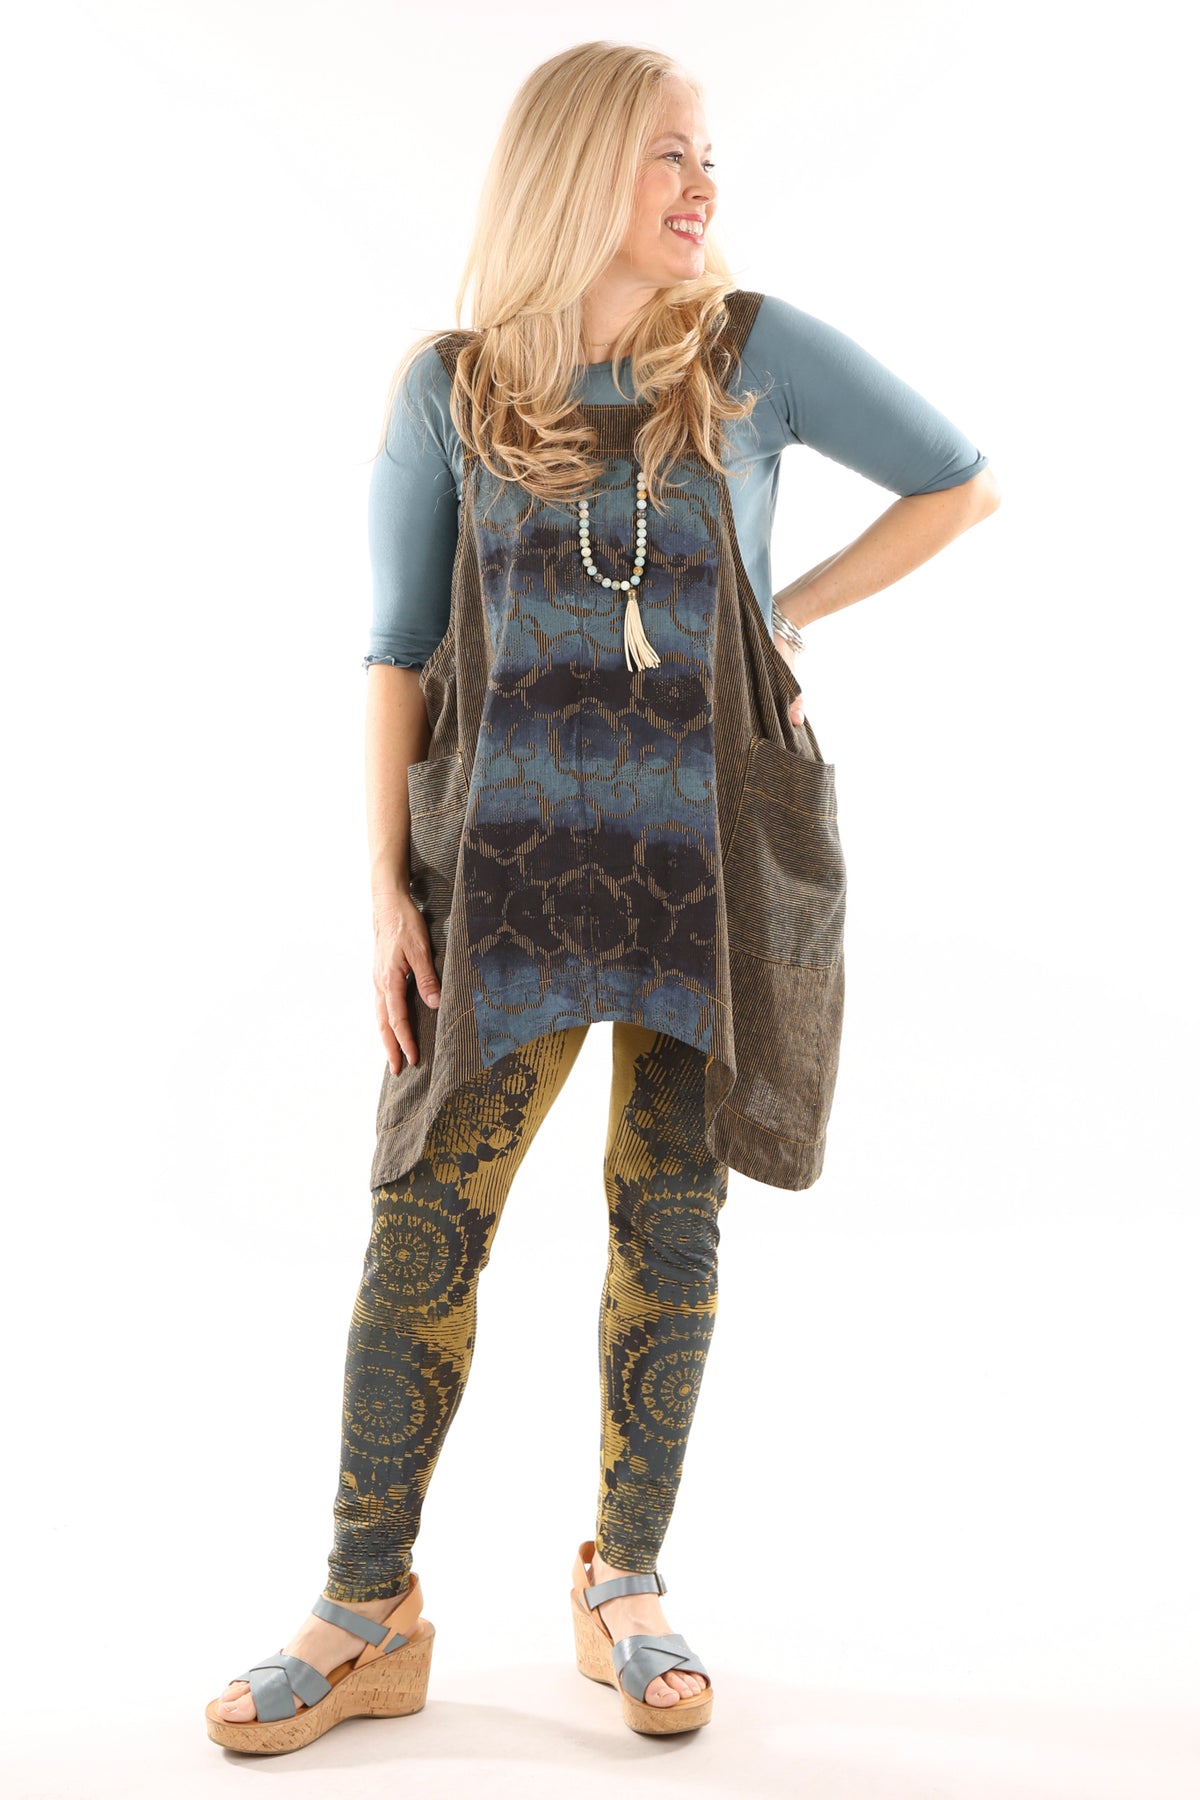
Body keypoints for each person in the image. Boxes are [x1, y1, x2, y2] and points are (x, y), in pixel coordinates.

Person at [205, 39, 999, 1753]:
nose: (703, 185)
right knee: (427, 1217)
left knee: (671, 1216)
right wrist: (382, 891)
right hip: (497, 875)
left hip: (700, 863)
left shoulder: (751, 354)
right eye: (667, 154)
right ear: (576, 169)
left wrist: (789, 615)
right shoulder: (450, 389)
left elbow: (962, 479)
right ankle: (364, 1608)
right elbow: (397, 652)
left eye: (708, 154)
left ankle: (625, 1583)